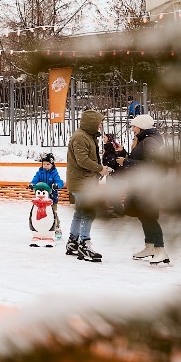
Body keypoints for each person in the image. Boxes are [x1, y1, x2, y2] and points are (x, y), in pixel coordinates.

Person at [120, 114, 170, 265]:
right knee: (143, 215)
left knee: (149, 217)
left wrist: (127, 162)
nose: (133, 129)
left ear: (142, 127)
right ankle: (150, 246)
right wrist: (123, 154)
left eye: (134, 126)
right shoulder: (144, 140)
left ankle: (160, 250)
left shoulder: (149, 142)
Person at [65, 109, 112, 262]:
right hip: (82, 182)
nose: (100, 126)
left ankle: (73, 242)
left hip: (83, 180)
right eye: (99, 123)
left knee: (80, 212)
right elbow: (82, 161)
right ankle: (84, 244)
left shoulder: (87, 136)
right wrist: (101, 169)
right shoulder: (80, 137)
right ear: (92, 123)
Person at [27, 153, 64, 229]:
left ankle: (56, 227)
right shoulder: (40, 173)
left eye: (48, 164)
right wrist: (32, 184)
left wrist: (57, 185)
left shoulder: (54, 173)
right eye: (44, 164)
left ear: (52, 164)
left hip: (51, 198)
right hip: (40, 198)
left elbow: (59, 182)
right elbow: (35, 179)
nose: (46, 166)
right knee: (37, 212)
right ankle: (38, 227)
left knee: (53, 213)